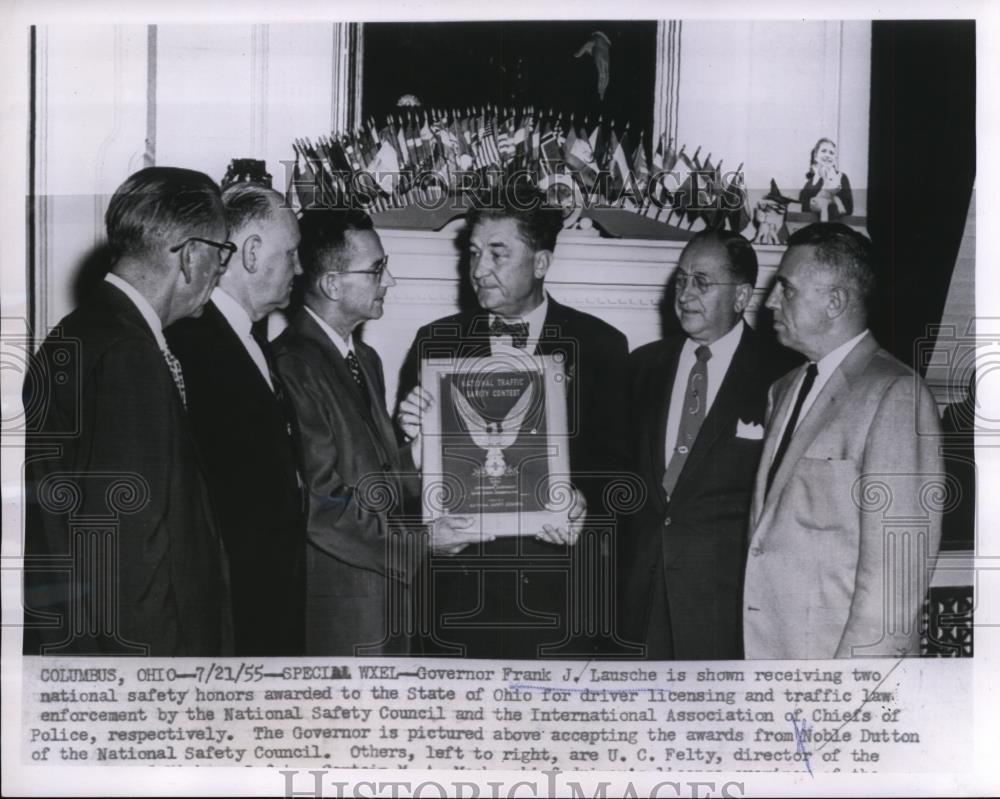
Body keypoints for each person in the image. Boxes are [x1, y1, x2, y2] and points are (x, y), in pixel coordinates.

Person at [396, 185, 631, 660]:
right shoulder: (434, 343)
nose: (479, 270)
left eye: (497, 254)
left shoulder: (602, 346)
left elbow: (622, 475)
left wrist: (585, 505)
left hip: (558, 600)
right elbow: (397, 480)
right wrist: (409, 439)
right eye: (474, 253)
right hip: (456, 600)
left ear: (541, 263)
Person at [22, 166, 234, 656]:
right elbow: (130, 555)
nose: (220, 271)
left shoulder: (82, 331)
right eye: (222, 254)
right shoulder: (128, 354)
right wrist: (155, 689)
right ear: (192, 255)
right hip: (140, 662)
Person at [273, 208, 478, 656]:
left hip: (387, 600)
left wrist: (418, 454)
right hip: (341, 606)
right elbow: (322, 506)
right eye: (376, 270)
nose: (388, 281)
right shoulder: (292, 365)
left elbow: (374, 480)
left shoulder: (365, 360)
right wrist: (425, 542)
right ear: (331, 284)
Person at [744, 222, 942, 659]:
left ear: (835, 302)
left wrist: (850, 694)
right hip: (772, 658)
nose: (771, 301)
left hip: (840, 670)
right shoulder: (783, 389)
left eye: (786, 289)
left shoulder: (896, 395)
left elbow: (896, 578)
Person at [620, 230, 790, 660]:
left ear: (741, 296)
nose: (685, 293)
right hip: (638, 599)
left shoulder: (781, 376)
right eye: (680, 280)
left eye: (702, 281)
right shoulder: (641, 367)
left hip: (724, 606)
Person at [166, 183, 305, 655]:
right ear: (250, 253)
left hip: (266, 603)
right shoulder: (193, 342)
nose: (299, 268)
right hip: (232, 614)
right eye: (291, 254)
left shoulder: (247, 338)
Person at [799, 138, 854, 221]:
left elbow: (848, 208)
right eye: (824, 151)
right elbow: (804, 209)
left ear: (834, 159)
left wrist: (830, 203)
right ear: (816, 156)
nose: (828, 155)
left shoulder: (841, 177)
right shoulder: (809, 184)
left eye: (831, 153)